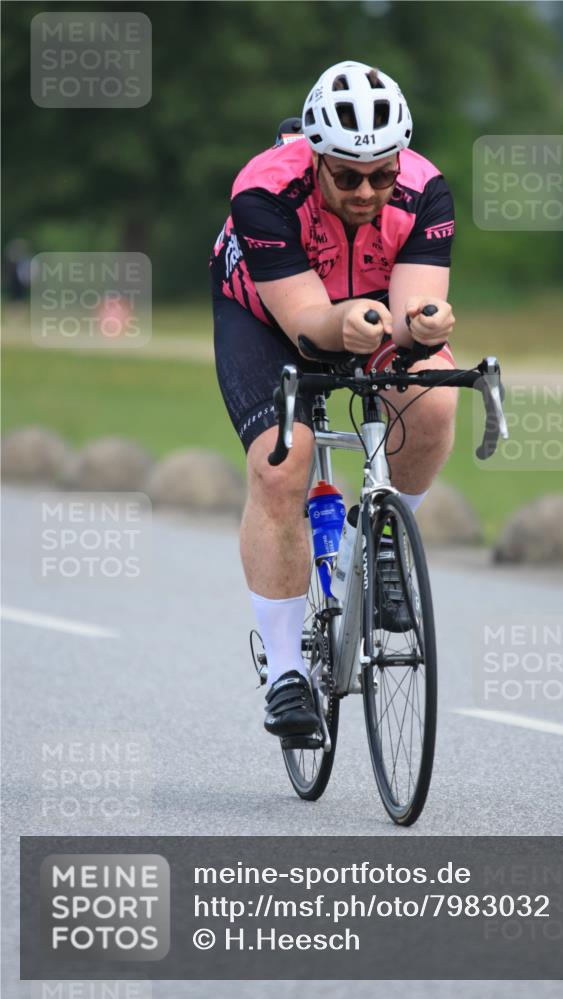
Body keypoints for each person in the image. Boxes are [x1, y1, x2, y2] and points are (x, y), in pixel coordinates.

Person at [210, 60, 457, 738]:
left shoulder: (426, 187)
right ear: (315, 157)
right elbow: (309, 326)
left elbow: (410, 311)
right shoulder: (264, 191)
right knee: (284, 464)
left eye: (382, 174)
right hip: (266, 320)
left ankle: (381, 536)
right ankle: (287, 674)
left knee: (433, 397)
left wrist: (424, 324)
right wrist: (340, 324)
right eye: (347, 176)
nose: (367, 191)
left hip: (367, 307)